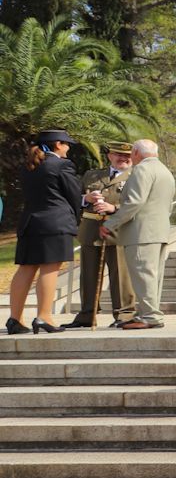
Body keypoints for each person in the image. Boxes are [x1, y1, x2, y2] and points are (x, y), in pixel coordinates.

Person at [8, 129, 82, 334]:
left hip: (30, 222)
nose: (68, 148)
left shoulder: (29, 165)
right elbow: (73, 195)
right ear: (58, 144)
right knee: (50, 269)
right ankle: (44, 316)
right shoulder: (61, 165)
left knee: (26, 269)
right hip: (54, 223)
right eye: (66, 144)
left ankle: (15, 319)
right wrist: (77, 218)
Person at [99, 139, 176, 331]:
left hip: (141, 232)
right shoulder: (165, 171)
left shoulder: (141, 170)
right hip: (158, 230)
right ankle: (147, 313)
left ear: (135, 153)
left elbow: (134, 203)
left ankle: (150, 316)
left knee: (144, 274)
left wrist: (111, 223)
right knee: (151, 276)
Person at [67, 142, 135, 329]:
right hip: (90, 229)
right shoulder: (92, 175)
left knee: (120, 274)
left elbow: (140, 203)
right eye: (118, 155)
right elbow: (75, 197)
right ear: (109, 156)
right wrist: (85, 199)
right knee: (88, 275)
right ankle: (87, 314)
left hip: (120, 230)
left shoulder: (137, 176)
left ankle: (125, 314)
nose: (123, 159)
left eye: (127, 155)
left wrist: (114, 208)